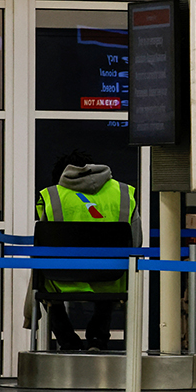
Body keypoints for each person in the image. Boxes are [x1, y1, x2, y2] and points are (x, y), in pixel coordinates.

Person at [34, 150, 141, 351]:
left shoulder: (53, 195)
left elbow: (44, 243)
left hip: (62, 279)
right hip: (111, 278)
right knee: (111, 278)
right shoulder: (124, 193)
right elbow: (136, 242)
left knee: (43, 282)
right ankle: (97, 339)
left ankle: (68, 342)